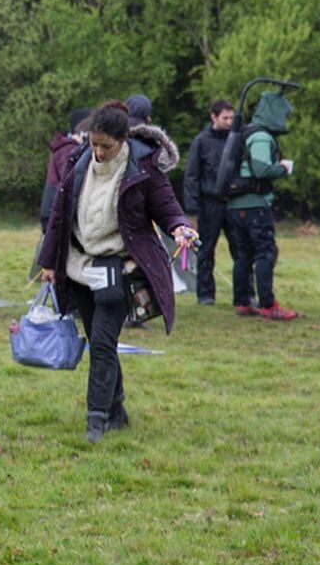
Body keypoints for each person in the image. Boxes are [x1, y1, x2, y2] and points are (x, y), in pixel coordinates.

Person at [38, 99, 197, 444]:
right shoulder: (78, 161)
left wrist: (180, 228)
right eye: (93, 143)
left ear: (123, 140)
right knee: (100, 342)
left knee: (103, 345)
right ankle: (117, 409)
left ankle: (96, 420)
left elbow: (168, 208)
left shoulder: (144, 168)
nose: (98, 151)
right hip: (78, 265)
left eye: (105, 146)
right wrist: (48, 262)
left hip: (118, 268)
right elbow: (58, 215)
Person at [225, 90, 298, 320]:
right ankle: (267, 304)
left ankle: (242, 301)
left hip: (236, 205)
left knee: (243, 255)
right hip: (255, 205)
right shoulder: (261, 137)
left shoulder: (245, 132)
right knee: (265, 253)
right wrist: (283, 168)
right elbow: (262, 169)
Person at [183, 98, 236, 305]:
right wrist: (192, 209)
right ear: (213, 117)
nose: (229, 122)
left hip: (232, 201)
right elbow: (192, 175)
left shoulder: (235, 139)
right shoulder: (201, 141)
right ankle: (205, 294)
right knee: (205, 250)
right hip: (209, 202)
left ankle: (244, 294)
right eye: (225, 118)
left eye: (232, 117)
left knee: (240, 249)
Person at [40, 107, 92, 233]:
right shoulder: (68, 150)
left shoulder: (66, 148)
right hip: (55, 215)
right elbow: (72, 183)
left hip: (52, 213)